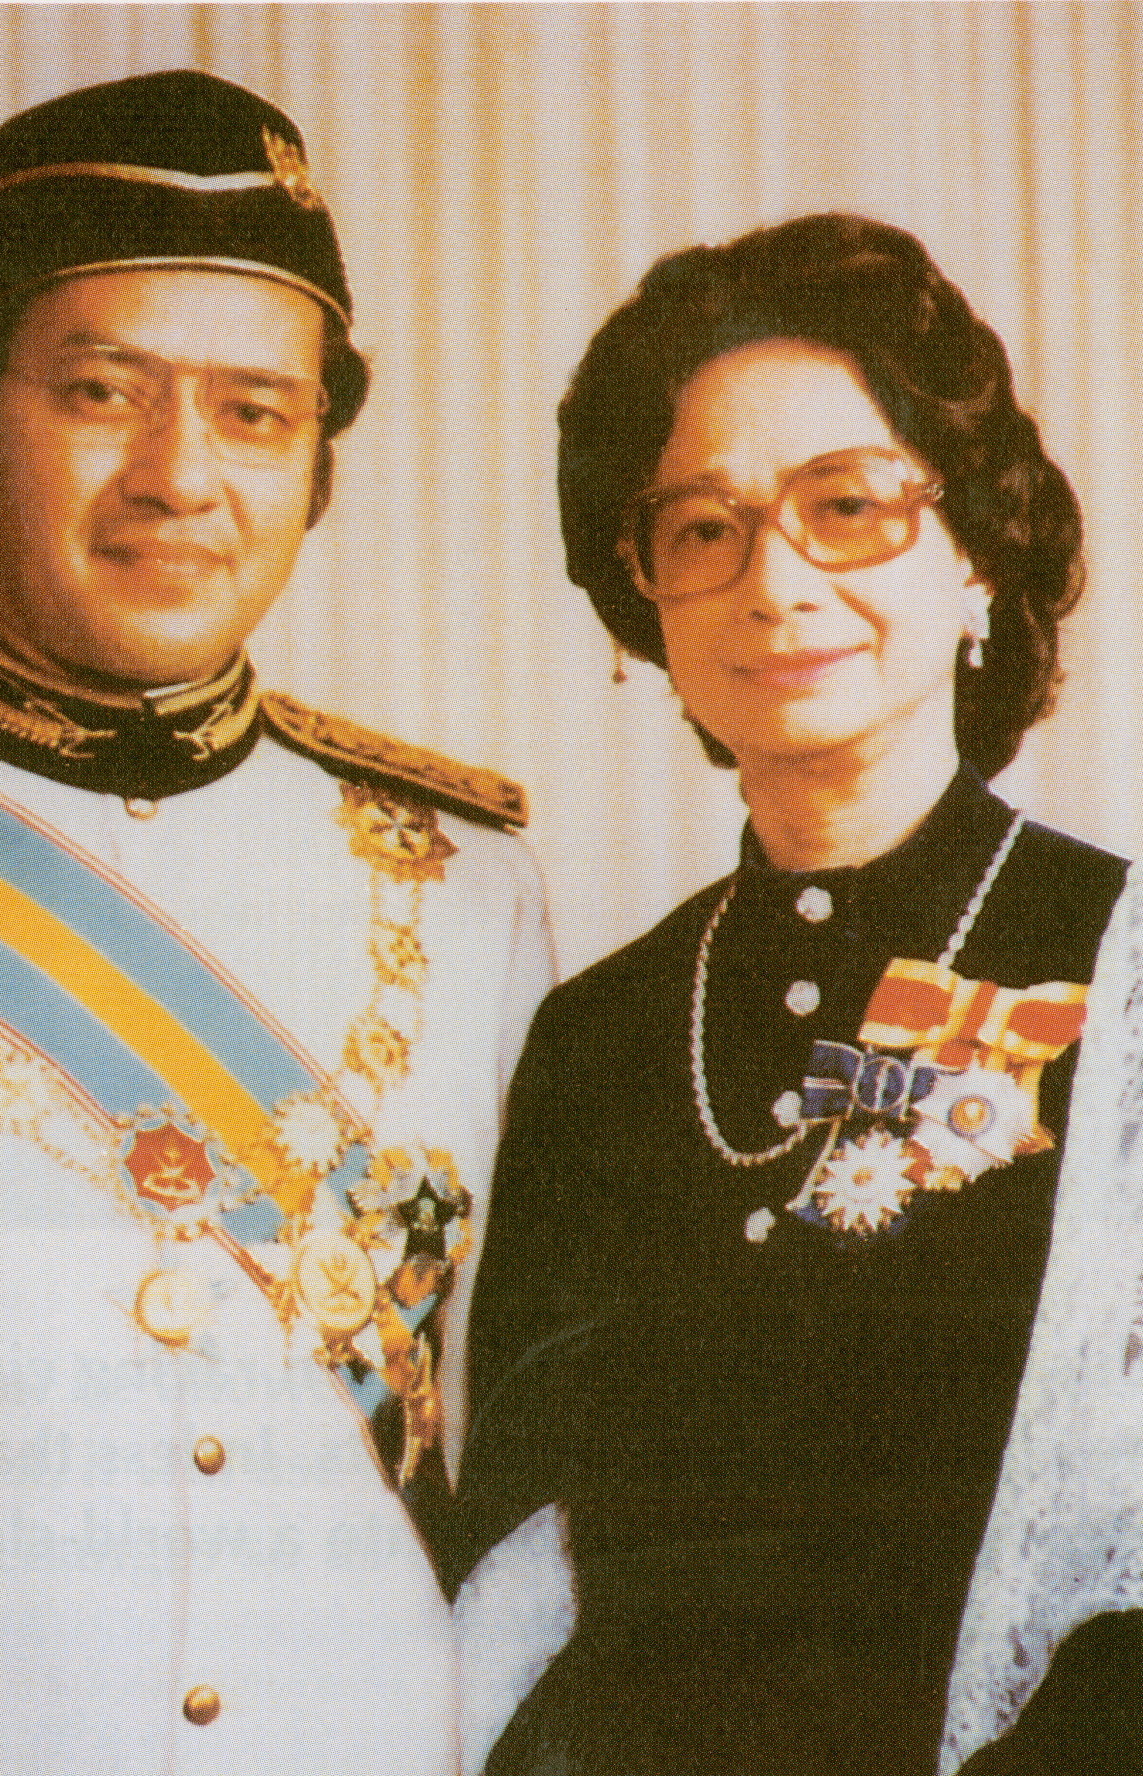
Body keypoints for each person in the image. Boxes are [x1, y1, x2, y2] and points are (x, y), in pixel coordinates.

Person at [0, 70, 553, 1776]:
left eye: (256, 414)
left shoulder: (469, 884)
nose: (181, 475)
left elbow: (522, 1495)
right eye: (103, 392)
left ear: (318, 472)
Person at [448, 213, 1136, 1775]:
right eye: (706, 527)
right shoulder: (600, 1031)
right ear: (646, 598)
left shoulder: (1124, 965)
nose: (776, 582)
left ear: (976, 556)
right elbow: (511, 1557)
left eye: (848, 506)